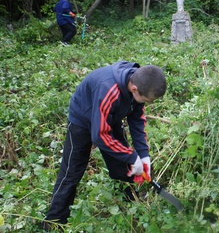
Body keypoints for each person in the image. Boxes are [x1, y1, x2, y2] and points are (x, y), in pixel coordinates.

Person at [42, 61, 167, 231]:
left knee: (123, 165)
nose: (148, 104)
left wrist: (143, 155)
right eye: (147, 100)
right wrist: (132, 156)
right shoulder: (109, 89)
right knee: (71, 173)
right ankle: (53, 222)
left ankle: (133, 204)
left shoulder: (139, 80)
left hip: (109, 116)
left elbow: (136, 119)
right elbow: (99, 135)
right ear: (135, 89)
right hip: (82, 120)